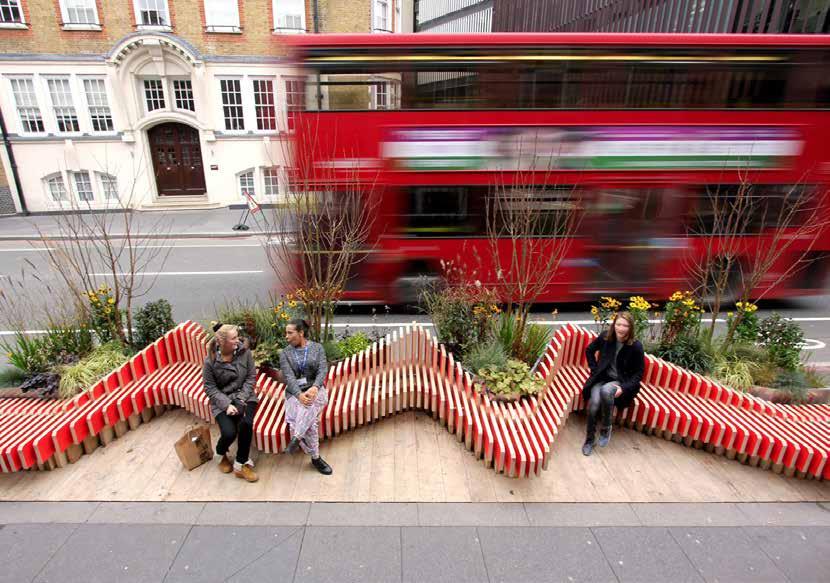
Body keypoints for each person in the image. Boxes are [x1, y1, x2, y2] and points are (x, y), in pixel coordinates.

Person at [581, 311, 644, 456]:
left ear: (631, 328)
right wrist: (594, 369)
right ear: (614, 324)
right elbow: (589, 350)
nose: (621, 328)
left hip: (620, 381)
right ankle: (589, 440)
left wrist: (624, 387)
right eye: (618, 324)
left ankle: (606, 428)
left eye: (625, 326)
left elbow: (638, 374)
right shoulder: (605, 337)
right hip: (602, 377)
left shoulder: (636, 346)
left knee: (605, 391)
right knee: (593, 406)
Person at [203, 323, 259, 482]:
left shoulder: (245, 353)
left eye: (237, 337)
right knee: (229, 433)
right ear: (221, 342)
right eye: (233, 338)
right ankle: (220, 453)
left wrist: (241, 399)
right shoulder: (210, 362)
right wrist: (227, 405)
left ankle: (241, 465)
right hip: (222, 400)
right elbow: (210, 388)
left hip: (245, 396)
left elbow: (250, 378)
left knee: (245, 424)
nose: (238, 341)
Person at [279, 319, 333, 475]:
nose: (286, 336)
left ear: (301, 333)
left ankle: (297, 436)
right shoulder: (285, 354)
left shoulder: (317, 348)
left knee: (308, 405)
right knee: (310, 417)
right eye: (286, 333)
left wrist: (315, 387)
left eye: (290, 333)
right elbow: (289, 377)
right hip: (294, 393)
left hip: (316, 390)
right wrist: (299, 394)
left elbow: (323, 370)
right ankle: (316, 458)